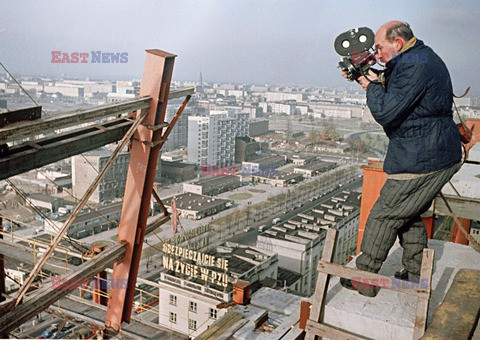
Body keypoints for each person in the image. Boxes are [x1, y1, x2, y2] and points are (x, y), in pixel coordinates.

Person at [340, 21, 462, 297]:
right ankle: (416, 272)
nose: (378, 55)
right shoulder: (416, 57)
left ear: (397, 43)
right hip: (429, 150)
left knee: (384, 216)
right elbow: (397, 90)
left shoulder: (416, 64)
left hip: (423, 156)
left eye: (380, 48)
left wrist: (369, 86)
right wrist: (371, 78)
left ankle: (366, 277)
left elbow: (386, 111)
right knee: (406, 215)